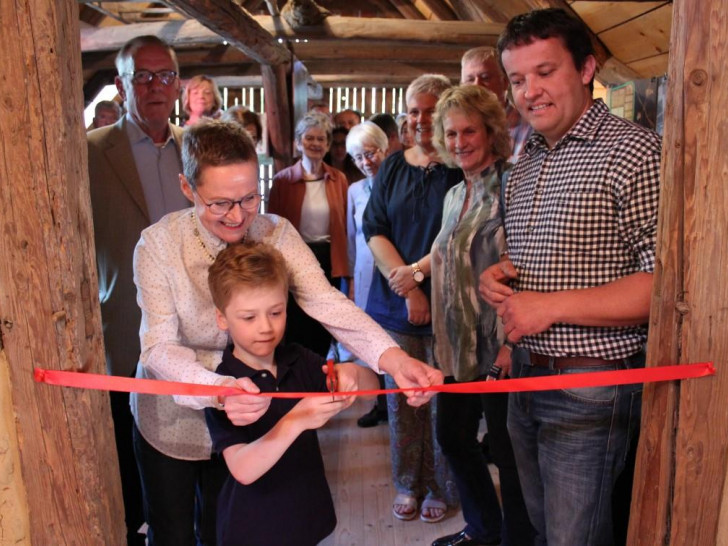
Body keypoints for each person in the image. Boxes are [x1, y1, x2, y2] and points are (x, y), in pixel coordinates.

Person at [133, 119, 441, 545]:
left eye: (248, 198)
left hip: (253, 423)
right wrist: (219, 389)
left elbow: (328, 303)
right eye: (220, 203)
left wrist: (394, 359)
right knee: (173, 535)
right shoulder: (158, 245)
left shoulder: (275, 232)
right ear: (188, 188)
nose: (238, 216)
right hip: (173, 417)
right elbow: (159, 347)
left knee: (224, 532)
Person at [479, 9, 662, 546]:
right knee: (542, 531)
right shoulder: (527, 159)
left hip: (591, 388)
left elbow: (665, 287)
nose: (529, 91)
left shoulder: (635, 153)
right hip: (525, 378)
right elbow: (533, 266)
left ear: (586, 68)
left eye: (545, 71)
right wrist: (502, 280)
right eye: (517, 79)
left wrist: (550, 306)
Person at [204, 241, 379, 546]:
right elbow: (243, 469)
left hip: (305, 515)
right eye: (249, 317)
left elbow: (373, 387)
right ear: (222, 319)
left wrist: (351, 373)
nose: (265, 327)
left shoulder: (297, 359)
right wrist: (297, 419)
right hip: (253, 529)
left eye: (276, 312)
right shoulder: (224, 385)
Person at [87, 35, 189, 546]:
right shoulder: (87, 153)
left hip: (197, 330)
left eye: (163, 76)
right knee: (130, 453)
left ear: (178, 85)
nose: (154, 87)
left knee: (193, 450)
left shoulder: (196, 148)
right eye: (141, 76)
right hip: (126, 327)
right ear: (121, 84)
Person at [429, 85, 534, 546]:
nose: (459, 141)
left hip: (499, 345)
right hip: (454, 347)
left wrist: (513, 344)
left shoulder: (516, 184)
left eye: (469, 130)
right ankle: (484, 529)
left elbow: (530, 265)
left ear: (491, 131)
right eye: (451, 133)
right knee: (453, 437)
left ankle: (517, 538)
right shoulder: (454, 195)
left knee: (509, 455)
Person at [363, 74, 461, 523]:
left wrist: (419, 280)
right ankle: (408, 483)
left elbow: (457, 235)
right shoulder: (393, 167)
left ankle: (442, 484)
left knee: (443, 404)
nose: (421, 118)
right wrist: (405, 284)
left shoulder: (461, 165)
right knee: (401, 405)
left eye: (430, 108)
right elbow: (374, 227)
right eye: (414, 109)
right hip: (394, 306)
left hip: (447, 306)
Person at [268, 111, 350, 357]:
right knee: (296, 320)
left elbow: (345, 226)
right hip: (294, 259)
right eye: (309, 138)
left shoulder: (338, 179)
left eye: (321, 139)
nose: (315, 143)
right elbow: (272, 228)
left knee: (324, 319)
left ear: (327, 144)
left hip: (328, 258)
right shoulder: (283, 180)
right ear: (298, 142)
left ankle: (320, 370)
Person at [342, 122, 390, 428]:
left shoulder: (396, 183)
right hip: (363, 271)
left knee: (392, 337)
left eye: (370, 154)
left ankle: (397, 400)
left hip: (391, 271)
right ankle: (381, 402)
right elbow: (349, 236)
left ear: (384, 149)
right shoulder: (354, 190)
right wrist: (349, 280)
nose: (365, 162)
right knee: (370, 338)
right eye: (358, 157)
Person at [461, 46, 532, 163]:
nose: (477, 86)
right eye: (470, 80)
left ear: (505, 82)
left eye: (485, 78)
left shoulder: (530, 129)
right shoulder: (456, 131)